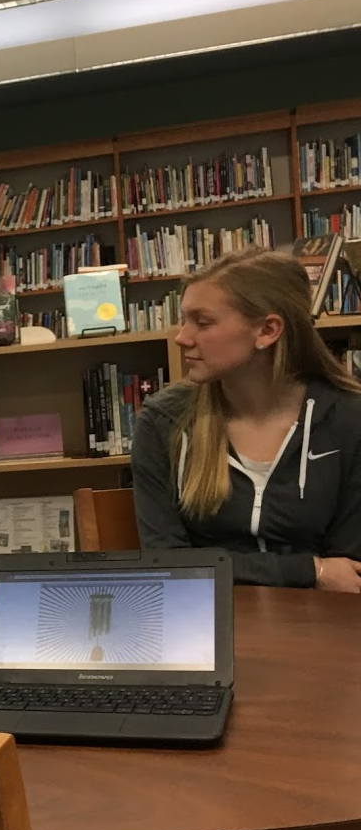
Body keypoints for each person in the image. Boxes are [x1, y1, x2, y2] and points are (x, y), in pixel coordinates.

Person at [132, 247, 361, 590]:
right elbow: (167, 562)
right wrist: (309, 571)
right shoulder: (163, 421)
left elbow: (349, 571)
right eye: (184, 320)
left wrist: (219, 565)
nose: (182, 337)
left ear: (267, 330)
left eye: (203, 322)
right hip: (206, 615)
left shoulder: (349, 419)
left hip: (323, 616)